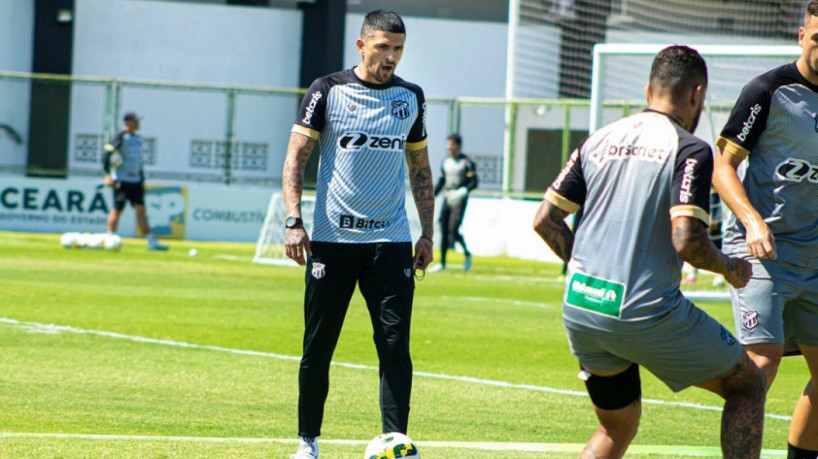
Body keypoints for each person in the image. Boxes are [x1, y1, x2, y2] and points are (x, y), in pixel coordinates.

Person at [533, 45, 766, 459]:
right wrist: (730, 267)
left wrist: (585, 266)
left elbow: (544, 222)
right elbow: (687, 240)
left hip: (582, 307)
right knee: (747, 386)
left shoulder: (598, 139)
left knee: (614, 427)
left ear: (648, 90)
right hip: (644, 312)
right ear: (696, 94)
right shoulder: (690, 148)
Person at [281, 10, 434, 459]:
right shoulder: (327, 91)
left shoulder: (411, 97)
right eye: (383, 47)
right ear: (361, 45)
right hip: (332, 240)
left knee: (394, 347)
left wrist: (426, 232)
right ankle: (307, 443)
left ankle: (396, 443)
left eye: (399, 49)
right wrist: (294, 220)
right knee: (318, 346)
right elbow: (296, 159)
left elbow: (419, 168)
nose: (391, 57)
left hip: (390, 243)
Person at [712, 2, 818, 457]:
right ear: (801, 35)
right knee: (761, 363)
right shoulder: (768, 91)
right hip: (763, 251)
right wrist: (752, 220)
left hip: (814, 255)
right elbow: (722, 166)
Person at [103, 112, 168, 251]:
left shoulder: (138, 139)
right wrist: (107, 175)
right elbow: (107, 155)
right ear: (128, 123)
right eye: (135, 121)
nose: (138, 124)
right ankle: (110, 237)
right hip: (122, 180)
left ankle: (151, 241)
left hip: (136, 181)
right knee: (118, 209)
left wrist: (142, 180)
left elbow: (139, 162)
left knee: (141, 210)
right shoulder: (121, 137)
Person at [428, 133, 478, 273]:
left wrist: (463, 191)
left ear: (458, 146)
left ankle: (467, 254)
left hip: (459, 198)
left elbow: (474, 182)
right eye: (448, 145)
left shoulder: (466, 162)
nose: (449, 148)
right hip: (447, 197)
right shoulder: (446, 161)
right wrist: (432, 196)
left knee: (453, 228)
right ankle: (442, 263)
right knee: (443, 227)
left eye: (452, 145)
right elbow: (441, 182)